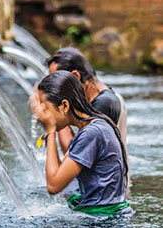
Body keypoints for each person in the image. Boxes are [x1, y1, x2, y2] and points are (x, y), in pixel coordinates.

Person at [30, 71, 132, 217]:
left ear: (64, 105)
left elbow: (53, 186)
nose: (41, 114)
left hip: (103, 220)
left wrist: (51, 130)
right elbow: (60, 171)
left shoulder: (91, 134)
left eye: (45, 107)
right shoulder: (93, 125)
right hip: (104, 214)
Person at [45, 47, 127, 155]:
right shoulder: (107, 97)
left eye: (57, 83)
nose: (54, 90)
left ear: (76, 76)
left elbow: (73, 154)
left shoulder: (103, 104)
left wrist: (57, 116)